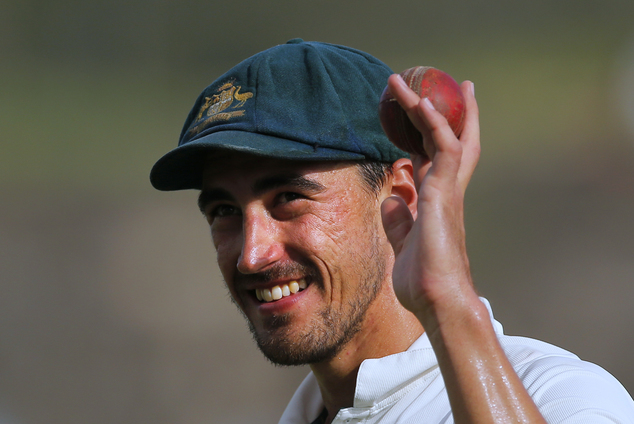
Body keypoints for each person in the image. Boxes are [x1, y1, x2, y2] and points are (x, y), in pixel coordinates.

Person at [150, 39, 634, 423]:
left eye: (288, 198)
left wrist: (447, 303)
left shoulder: (562, 397)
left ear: (401, 196)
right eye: (224, 211)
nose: (251, 255)